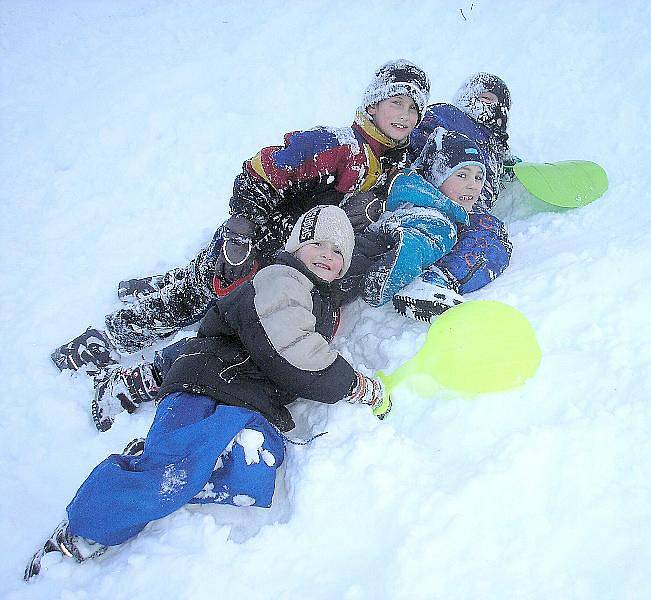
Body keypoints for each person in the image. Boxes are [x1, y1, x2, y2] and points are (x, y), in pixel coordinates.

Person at [24, 206, 390, 581]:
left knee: (254, 475)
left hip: (249, 403)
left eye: (338, 251)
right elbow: (294, 348)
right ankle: (84, 528)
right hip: (207, 386)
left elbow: (356, 268)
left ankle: (179, 451)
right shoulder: (281, 280)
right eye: (318, 244)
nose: (329, 254)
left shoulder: (318, 295)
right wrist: (353, 385)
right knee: (173, 475)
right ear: (296, 247)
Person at [50, 58, 430, 376]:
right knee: (198, 293)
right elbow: (259, 173)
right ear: (373, 104)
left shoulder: (394, 165)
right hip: (259, 241)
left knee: (228, 302)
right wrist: (242, 233)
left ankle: (163, 282)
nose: (405, 114)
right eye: (396, 101)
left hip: (291, 262)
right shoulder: (336, 146)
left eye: (414, 107)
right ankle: (109, 338)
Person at [344, 73, 515, 321]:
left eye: (500, 105)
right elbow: (416, 138)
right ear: (466, 98)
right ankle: (434, 280)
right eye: (485, 98)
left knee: (487, 235)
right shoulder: (449, 115)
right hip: (439, 188)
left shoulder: (497, 148)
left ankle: (419, 268)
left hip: (467, 203)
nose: (492, 108)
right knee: (485, 231)